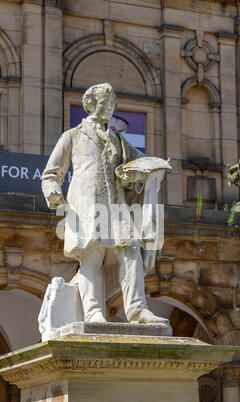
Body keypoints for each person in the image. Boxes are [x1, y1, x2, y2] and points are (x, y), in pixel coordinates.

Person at [42, 83, 169, 324]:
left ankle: (137, 310)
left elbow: (140, 163)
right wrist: (53, 192)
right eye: (106, 103)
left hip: (118, 206)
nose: (111, 108)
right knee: (93, 257)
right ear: (91, 105)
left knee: (132, 252)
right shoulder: (73, 136)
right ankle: (93, 312)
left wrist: (153, 169)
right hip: (87, 206)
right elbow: (51, 173)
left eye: (113, 104)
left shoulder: (119, 139)